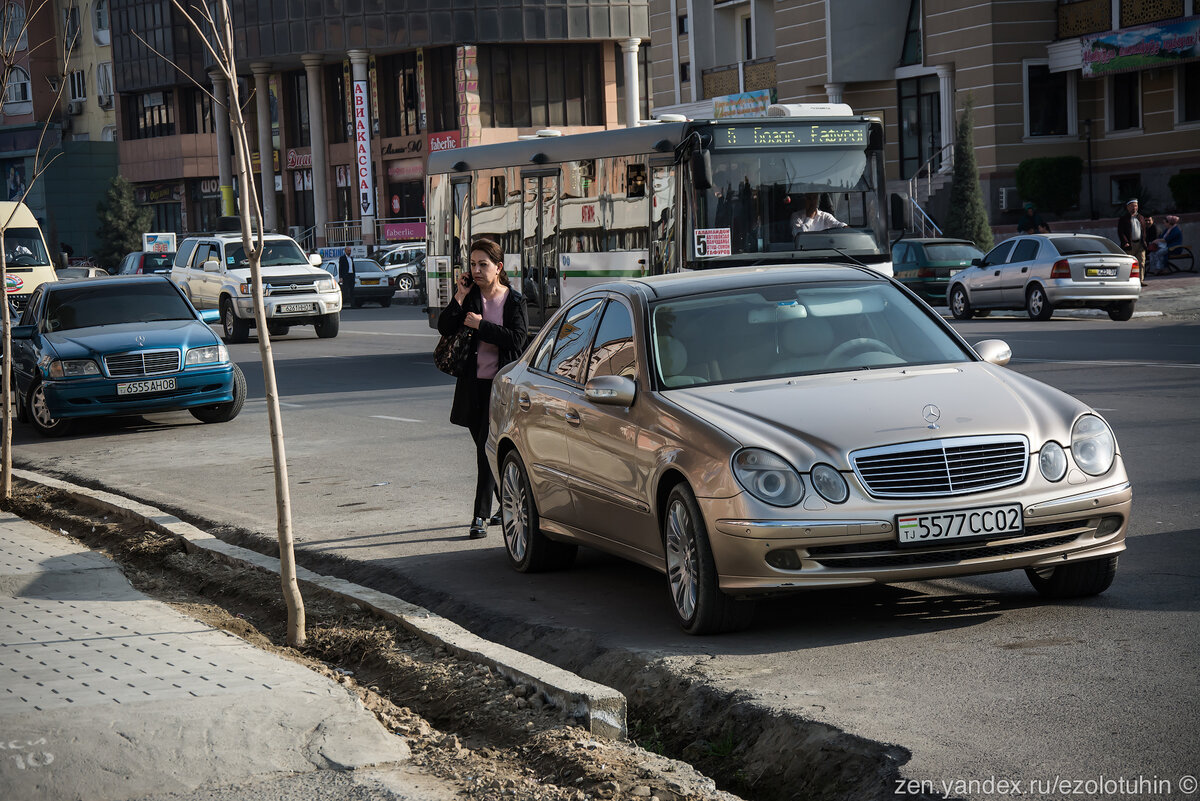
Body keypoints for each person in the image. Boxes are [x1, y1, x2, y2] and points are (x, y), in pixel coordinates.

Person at [437, 239, 528, 539]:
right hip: (472, 388)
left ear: (498, 267)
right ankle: (508, 504)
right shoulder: (471, 298)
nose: (475, 270)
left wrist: (481, 326)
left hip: (501, 389)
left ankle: (479, 515)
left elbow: (517, 340)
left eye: (482, 265)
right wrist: (459, 297)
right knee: (489, 450)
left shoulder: (514, 301)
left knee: (484, 450)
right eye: (472, 264)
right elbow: (445, 327)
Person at [1117, 198, 1147, 284]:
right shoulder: (1124, 219)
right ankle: (1129, 280)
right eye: (1132, 206)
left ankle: (1140, 280)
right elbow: (1121, 232)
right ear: (1128, 207)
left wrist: (1144, 241)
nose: (1134, 208)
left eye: (1136, 205)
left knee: (1141, 262)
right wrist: (1125, 241)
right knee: (1129, 263)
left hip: (1140, 244)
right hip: (1129, 244)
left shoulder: (1141, 217)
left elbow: (1144, 231)